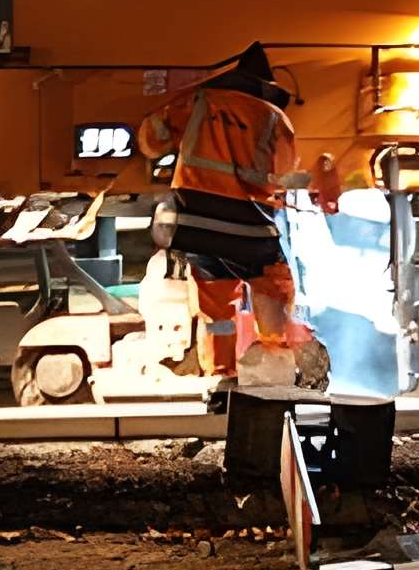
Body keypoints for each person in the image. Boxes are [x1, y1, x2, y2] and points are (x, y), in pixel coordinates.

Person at [137, 43, 323, 385]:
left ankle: (221, 377)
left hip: (197, 227)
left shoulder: (200, 102)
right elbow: (280, 175)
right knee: (272, 288)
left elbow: (152, 139)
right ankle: (274, 368)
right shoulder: (274, 118)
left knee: (216, 310)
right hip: (248, 227)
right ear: (266, 86)